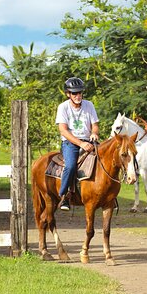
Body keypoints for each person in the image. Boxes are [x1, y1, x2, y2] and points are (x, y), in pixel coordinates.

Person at [55, 77, 99, 211]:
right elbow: (63, 130)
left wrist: (94, 133)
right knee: (70, 166)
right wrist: (80, 144)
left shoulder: (89, 105)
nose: (78, 95)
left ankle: (109, 195)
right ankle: (64, 196)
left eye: (80, 92)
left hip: (88, 140)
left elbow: (95, 125)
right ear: (68, 94)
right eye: (74, 93)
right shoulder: (63, 107)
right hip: (71, 142)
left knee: (108, 158)